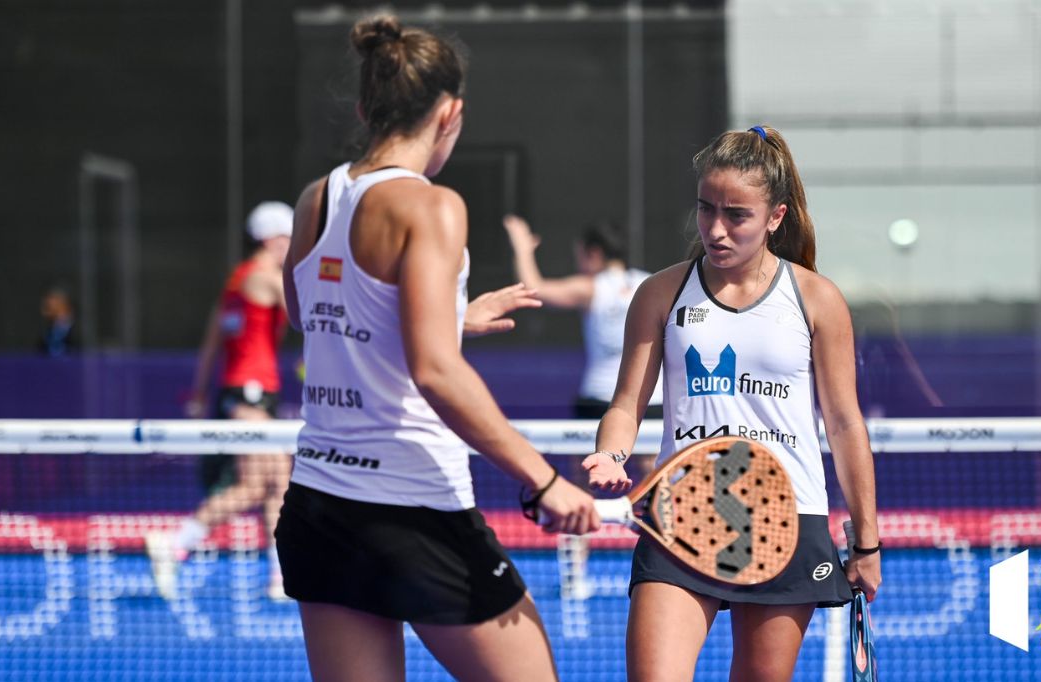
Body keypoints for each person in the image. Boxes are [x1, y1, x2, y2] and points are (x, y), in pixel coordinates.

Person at [274, 15, 598, 682]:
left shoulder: (316, 199)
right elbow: (435, 372)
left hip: (320, 507)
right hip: (413, 508)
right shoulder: (433, 207)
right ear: (451, 113)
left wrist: (449, 314)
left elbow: (309, 313)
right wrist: (542, 478)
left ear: (366, 107)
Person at [583, 126, 881, 681]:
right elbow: (625, 405)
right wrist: (612, 454)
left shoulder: (817, 299)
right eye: (705, 209)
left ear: (775, 216)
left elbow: (843, 425)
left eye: (736, 215)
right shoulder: (660, 292)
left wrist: (867, 542)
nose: (716, 229)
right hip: (682, 513)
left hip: (788, 519)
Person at [147, 200, 296, 602]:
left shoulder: (235, 282)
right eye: (289, 238)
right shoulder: (267, 277)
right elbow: (306, 315)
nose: (293, 245)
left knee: (275, 484)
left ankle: (280, 577)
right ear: (271, 239)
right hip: (249, 394)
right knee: (257, 485)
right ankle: (176, 541)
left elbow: (211, 343)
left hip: (245, 393)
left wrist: (199, 393)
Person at [503, 215, 663, 426]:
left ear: (594, 253)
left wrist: (522, 249)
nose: (578, 263)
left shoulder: (590, 287)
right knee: (653, 460)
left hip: (598, 401)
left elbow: (533, 289)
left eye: (578, 255)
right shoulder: (651, 282)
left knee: (590, 459)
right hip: (651, 399)